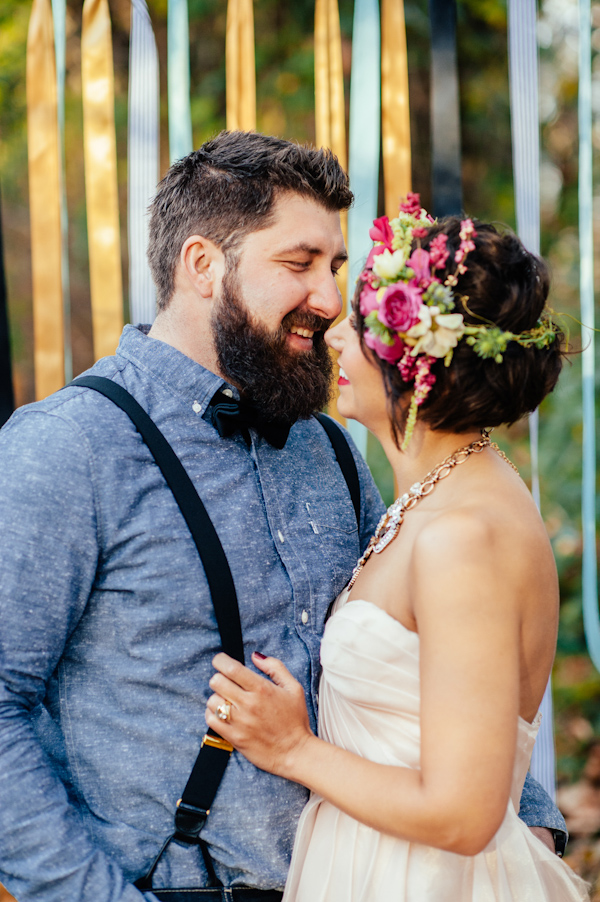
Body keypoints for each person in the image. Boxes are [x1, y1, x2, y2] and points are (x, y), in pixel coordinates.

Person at [0, 136, 564, 902]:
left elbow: (450, 663)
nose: (331, 300)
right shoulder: (67, 448)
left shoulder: (328, 445)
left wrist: (524, 826)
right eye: (298, 265)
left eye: (333, 267)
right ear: (201, 265)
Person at [205, 197, 589, 901]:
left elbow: (463, 814)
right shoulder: (441, 498)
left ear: (418, 364)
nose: (336, 340)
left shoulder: (460, 535)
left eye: (359, 328)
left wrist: (294, 749)